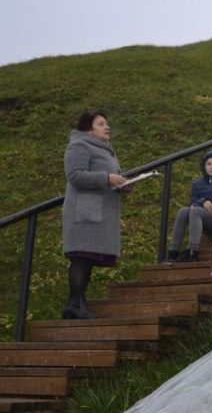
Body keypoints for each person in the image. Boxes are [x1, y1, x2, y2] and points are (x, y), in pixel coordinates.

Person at [62, 109, 129, 320]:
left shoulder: (106, 149)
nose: (106, 127)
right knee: (81, 257)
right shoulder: (79, 145)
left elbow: (106, 177)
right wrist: (107, 178)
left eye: (106, 123)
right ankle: (74, 303)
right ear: (87, 127)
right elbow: (75, 176)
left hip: (99, 212)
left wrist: (122, 183)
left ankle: (78, 303)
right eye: (100, 123)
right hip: (84, 212)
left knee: (87, 258)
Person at [166, 150, 212, 263]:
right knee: (183, 211)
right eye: (209, 164)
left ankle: (193, 251)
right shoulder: (197, 183)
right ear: (204, 166)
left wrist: (211, 206)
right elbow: (193, 202)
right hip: (205, 218)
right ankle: (173, 252)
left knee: (196, 211)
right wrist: (203, 201)